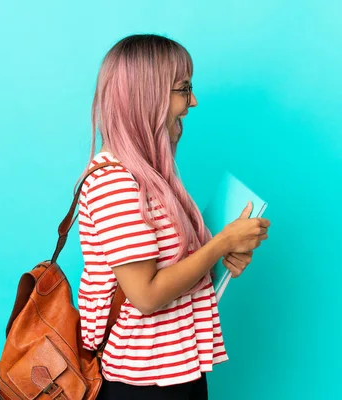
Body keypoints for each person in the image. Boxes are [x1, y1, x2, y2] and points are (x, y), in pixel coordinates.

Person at [76, 34, 270, 400]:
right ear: (148, 96)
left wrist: (221, 254)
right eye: (184, 89)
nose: (192, 101)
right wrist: (221, 245)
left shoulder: (145, 174)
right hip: (140, 382)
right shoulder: (115, 183)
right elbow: (146, 296)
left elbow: (172, 270)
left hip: (173, 371)